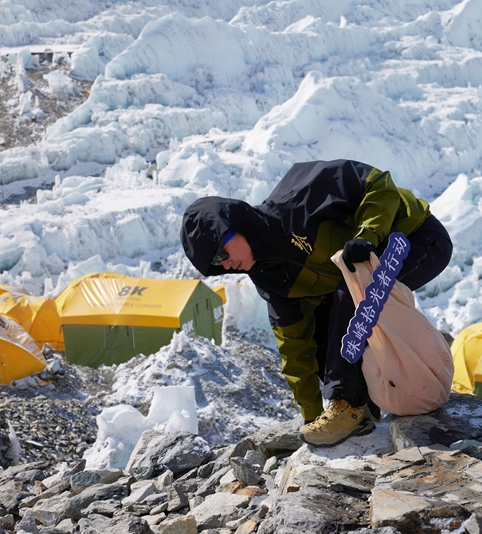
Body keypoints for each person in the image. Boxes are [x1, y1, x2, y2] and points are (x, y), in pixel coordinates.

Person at [180, 159, 453, 446]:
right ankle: (359, 411)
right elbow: (295, 347)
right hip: (359, 276)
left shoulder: (300, 197)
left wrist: (368, 234)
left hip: (417, 236)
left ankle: (346, 403)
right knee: (322, 320)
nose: (225, 264)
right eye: (215, 264)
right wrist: (311, 417)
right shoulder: (270, 279)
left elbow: (377, 182)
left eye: (221, 252)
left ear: (232, 224)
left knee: (350, 292)